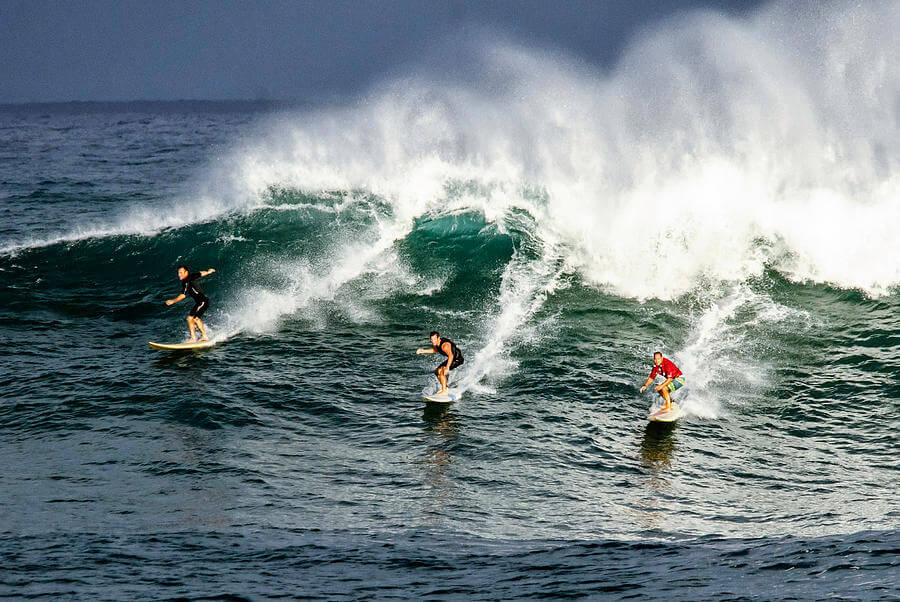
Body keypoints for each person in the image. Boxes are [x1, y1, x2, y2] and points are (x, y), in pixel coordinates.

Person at [166, 266, 215, 342]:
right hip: (200, 302)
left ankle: (201, 337)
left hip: (203, 301)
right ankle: (196, 338)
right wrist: (208, 272)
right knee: (190, 318)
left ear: (186, 272)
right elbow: (201, 273)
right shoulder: (191, 276)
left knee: (195, 318)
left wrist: (173, 301)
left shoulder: (186, 281)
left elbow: (183, 295)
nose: (179, 275)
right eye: (178, 273)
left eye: (181, 273)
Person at [416, 331, 464, 395]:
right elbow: (435, 350)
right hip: (452, 359)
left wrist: (447, 367)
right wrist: (423, 351)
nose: (433, 341)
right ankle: (445, 387)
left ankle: (444, 390)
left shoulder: (445, 345)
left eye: (434, 339)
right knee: (436, 371)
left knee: (441, 371)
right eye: (432, 339)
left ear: (438, 338)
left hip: (457, 359)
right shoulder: (437, 344)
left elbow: (451, 355)